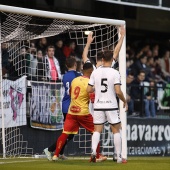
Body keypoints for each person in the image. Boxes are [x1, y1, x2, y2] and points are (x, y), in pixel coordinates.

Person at [52, 63, 107, 162]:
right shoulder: (89, 82)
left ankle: (55, 155)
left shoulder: (75, 80)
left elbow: (70, 93)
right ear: (91, 71)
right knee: (95, 132)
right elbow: (93, 98)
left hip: (71, 112)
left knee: (65, 133)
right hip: (83, 113)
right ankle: (97, 156)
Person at [86, 50, 128, 163]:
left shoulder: (95, 72)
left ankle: (94, 151)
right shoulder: (115, 73)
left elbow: (88, 89)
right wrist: (125, 101)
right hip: (111, 105)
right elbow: (118, 91)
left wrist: (96, 88)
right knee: (116, 130)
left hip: (98, 105)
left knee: (97, 130)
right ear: (112, 60)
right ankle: (118, 156)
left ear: (102, 59)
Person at [43, 56, 81, 160]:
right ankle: (50, 149)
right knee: (68, 133)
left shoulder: (64, 76)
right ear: (75, 65)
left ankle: (60, 153)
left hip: (65, 106)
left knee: (69, 133)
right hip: (73, 107)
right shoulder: (77, 75)